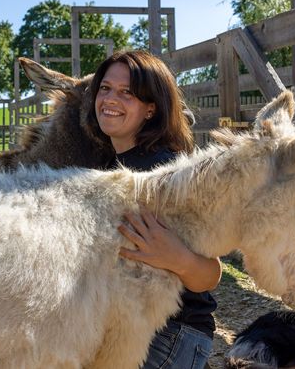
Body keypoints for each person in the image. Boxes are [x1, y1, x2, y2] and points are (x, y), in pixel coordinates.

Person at [88, 50, 221, 369]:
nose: (110, 99)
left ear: (151, 109)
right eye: (105, 89)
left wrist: (179, 258)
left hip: (172, 333)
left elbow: (211, 274)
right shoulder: (108, 168)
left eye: (126, 93)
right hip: (126, 327)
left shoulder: (165, 171)